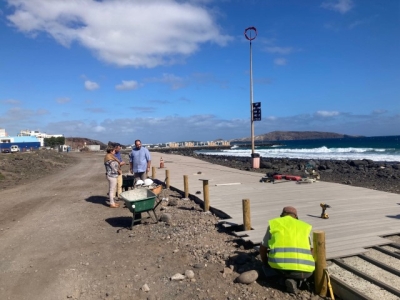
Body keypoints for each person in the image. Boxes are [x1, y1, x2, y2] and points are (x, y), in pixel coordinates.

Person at [259, 206, 315, 294]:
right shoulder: (304, 226)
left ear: (282, 215)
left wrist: (265, 263)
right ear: (296, 217)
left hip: (278, 268)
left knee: (271, 268)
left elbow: (263, 248)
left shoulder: (274, 224)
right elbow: (311, 249)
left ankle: (282, 280)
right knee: (301, 273)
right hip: (304, 272)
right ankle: (297, 281)